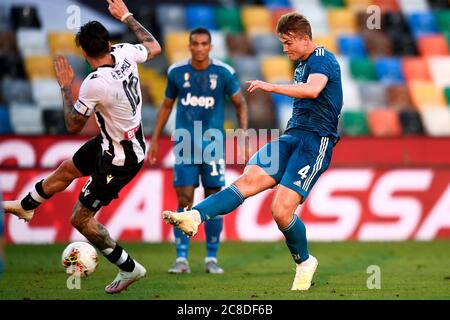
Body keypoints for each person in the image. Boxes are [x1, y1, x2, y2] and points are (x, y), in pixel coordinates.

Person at [163, 12, 343, 290]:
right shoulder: (303, 63)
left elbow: (313, 90)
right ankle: (194, 216)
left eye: (288, 42)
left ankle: (305, 261)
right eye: (282, 43)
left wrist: (271, 87)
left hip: (315, 142)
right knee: (246, 181)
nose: (285, 49)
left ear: (305, 38)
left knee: (281, 211)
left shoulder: (322, 58)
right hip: (292, 136)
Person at [2, 0, 161, 294]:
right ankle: (27, 207)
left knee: (81, 219)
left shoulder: (94, 83)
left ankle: (130, 268)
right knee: (67, 169)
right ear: (108, 43)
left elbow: (73, 125)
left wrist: (65, 86)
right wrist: (127, 16)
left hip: (120, 160)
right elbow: (154, 48)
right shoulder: (125, 52)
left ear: (85, 54)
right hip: (111, 142)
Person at [149, 27, 248, 274]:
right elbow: (166, 106)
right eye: (196, 43)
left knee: (214, 199)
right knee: (184, 200)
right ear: (190, 46)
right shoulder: (177, 72)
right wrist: (154, 139)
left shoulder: (224, 73)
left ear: (211, 47)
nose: (200, 47)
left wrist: (243, 136)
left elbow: (240, 103)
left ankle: (210, 259)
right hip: (184, 144)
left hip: (213, 145)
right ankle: (181, 259)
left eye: (205, 43)